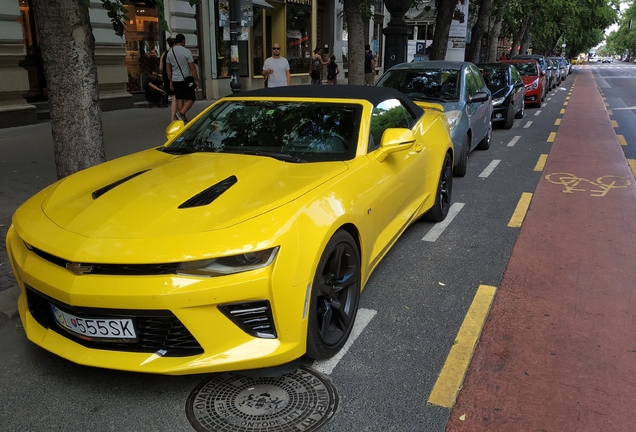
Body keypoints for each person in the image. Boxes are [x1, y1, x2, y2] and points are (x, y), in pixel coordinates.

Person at [166, 33, 199, 123]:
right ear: (183, 41)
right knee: (191, 99)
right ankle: (180, 114)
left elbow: (168, 68)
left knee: (179, 99)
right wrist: (196, 80)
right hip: (185, 79)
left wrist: (170, 81)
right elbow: (192, 67)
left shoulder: (170, 52)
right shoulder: (186, 52)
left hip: (175, 80)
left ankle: (182, 119)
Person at [160, 37, 177, 121]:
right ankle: (178, 116)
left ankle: (173, 118)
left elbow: (160, 67)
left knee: (174, 97)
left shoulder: (164, 53)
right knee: (176, 98)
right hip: (174, 76)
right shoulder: (174, 53)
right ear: (174, 44)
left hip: (166, 77)